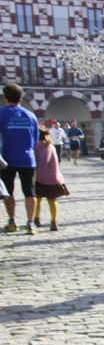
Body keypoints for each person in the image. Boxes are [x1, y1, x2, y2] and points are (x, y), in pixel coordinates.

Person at [0, 83, 38, 234]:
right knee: (30, 191)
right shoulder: (31, 115)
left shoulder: (1, 113)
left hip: (6, 159)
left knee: (8, 191)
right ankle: (30, 223)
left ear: (5, 97)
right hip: (27, 158)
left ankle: (12, 221)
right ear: (21, 97)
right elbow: (35, 139)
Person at [33, 127, 69, 231]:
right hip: (53, 177)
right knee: (52, 200)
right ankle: (54, 222)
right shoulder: (51, 146)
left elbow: (34, 162)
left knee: (38, 199)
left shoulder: (36, 146)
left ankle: (36, 219)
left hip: (39, 178)